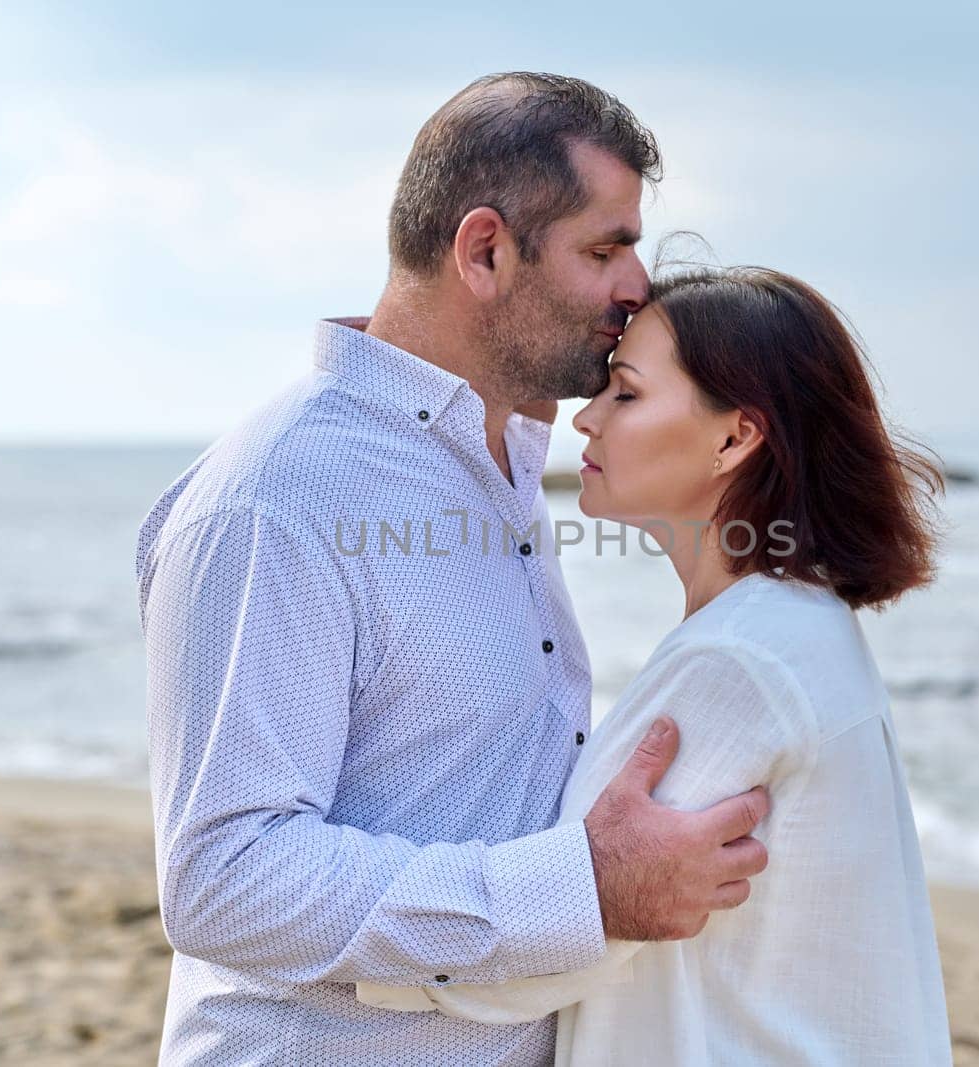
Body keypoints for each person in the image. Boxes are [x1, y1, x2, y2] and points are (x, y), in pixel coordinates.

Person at [136, 73, 771, 1065]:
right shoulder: (275, 498)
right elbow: (226, 876)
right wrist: (581, 887)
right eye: (603, 249)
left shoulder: (503, 456)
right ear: (484, 250)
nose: (635, 286)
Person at [357, 266, 955, 1064]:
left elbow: (555, 938)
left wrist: (329, 947)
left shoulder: (741, 658)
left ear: (736, 436)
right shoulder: (788, 625)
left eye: (627, 394)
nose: (587, 419)